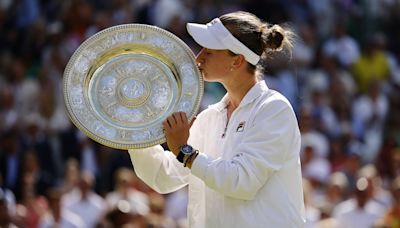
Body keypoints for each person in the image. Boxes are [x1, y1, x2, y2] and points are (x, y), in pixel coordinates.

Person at [128, 11, 305, 227]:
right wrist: (133, 127)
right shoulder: (209, 117)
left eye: (209, 52)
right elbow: (163, 177)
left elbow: (242, 182)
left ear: (237, 61)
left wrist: (185, 152)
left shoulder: (274, 109)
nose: (198, 57)